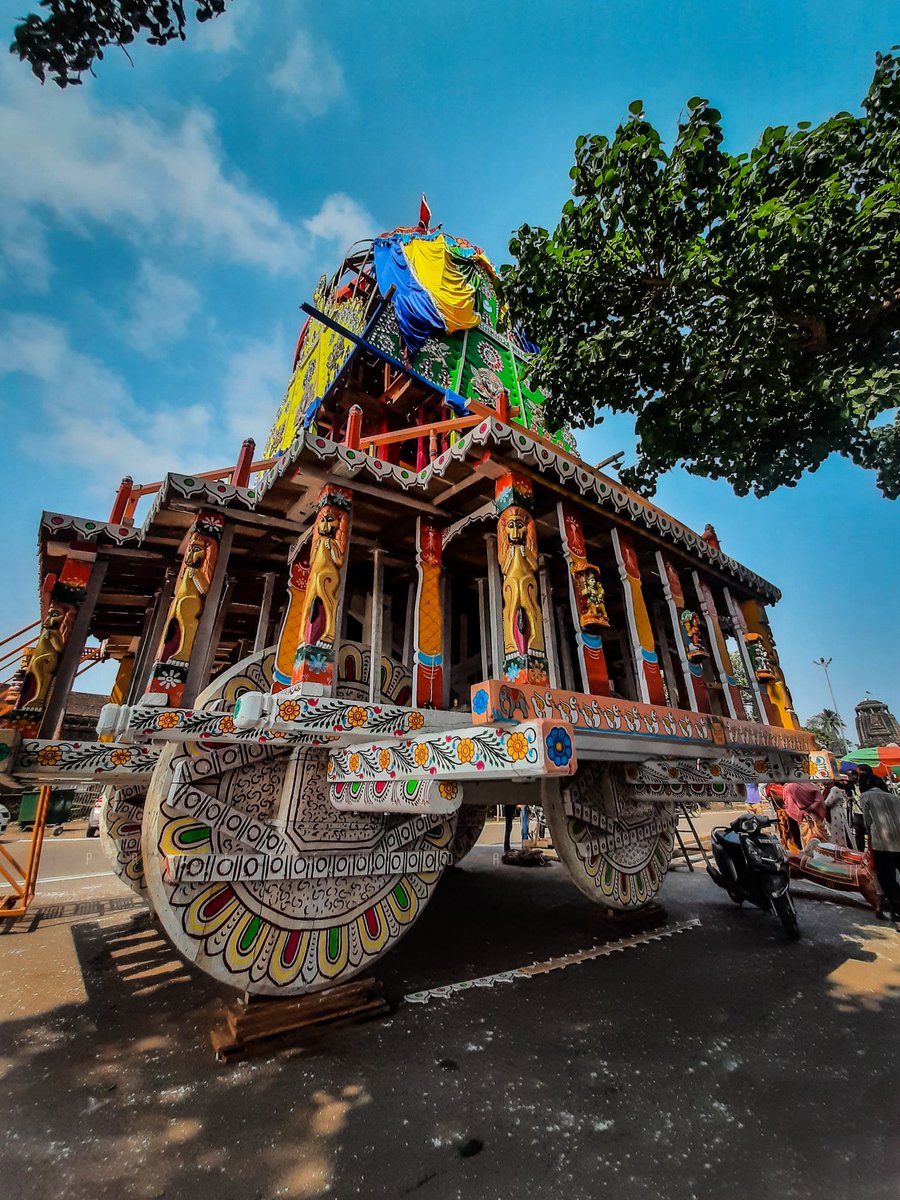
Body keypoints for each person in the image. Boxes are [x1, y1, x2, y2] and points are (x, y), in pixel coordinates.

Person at [861, 775, 900, 920]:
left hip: (882, 843)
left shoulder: (866, 796)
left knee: (887, 880)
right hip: (898, 840)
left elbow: (867, 822)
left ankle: (897, 908)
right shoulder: (894, 797)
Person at [782, 780, 828, 846]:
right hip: (815, 815)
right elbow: (819, 799)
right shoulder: (810, 785)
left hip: (804, 818)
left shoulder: (788, 787)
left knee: (808, 841)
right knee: (821, 839)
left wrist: (802, 814)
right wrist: (811, 809)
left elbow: (790, 807)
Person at [823, 777, 853, 848]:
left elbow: (827, 802)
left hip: (835, 813)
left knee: (839, 834)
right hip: (830, 813)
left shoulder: (834, 789)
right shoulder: (827, 789)